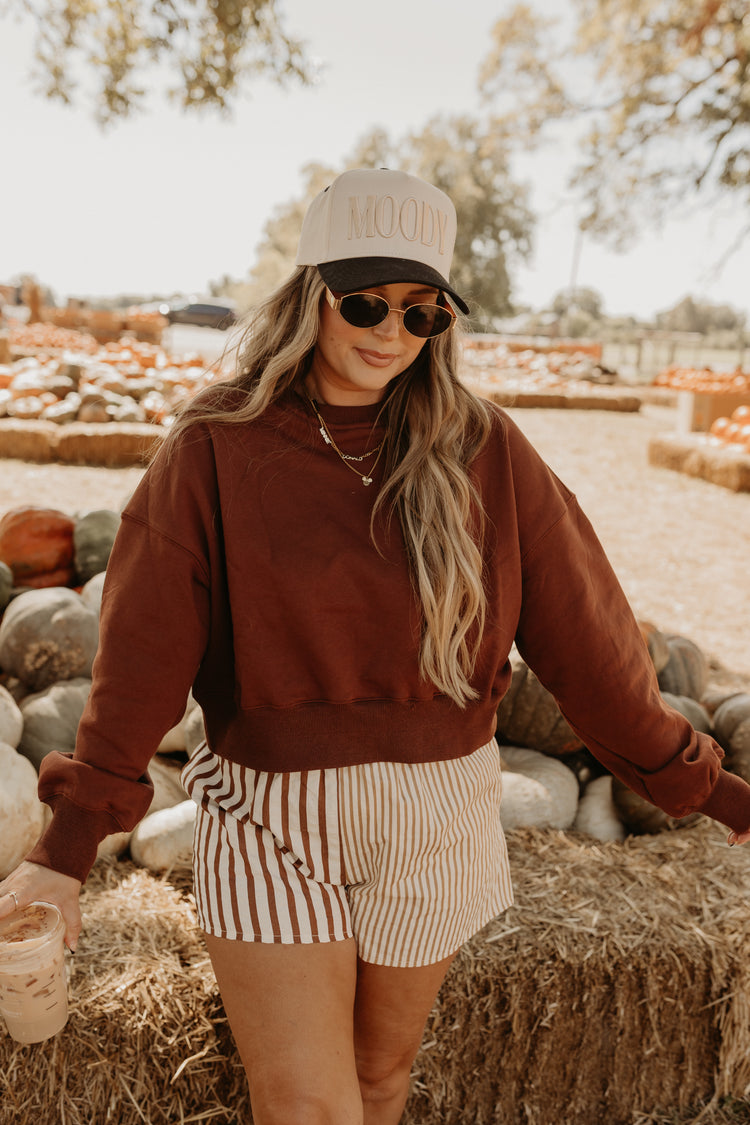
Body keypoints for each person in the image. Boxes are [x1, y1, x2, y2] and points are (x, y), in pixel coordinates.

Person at [1, 167, 749, 1125]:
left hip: (437, 813)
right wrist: (67, 846)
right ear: (310, 292)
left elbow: (589, 644)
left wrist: (702, 786)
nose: (391, 331)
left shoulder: (484, 447)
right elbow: (141, 654)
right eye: (364, 301)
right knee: (309, 1107)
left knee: (381, 1083)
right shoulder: (216, 446)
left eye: (422, 312)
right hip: (272, 818)